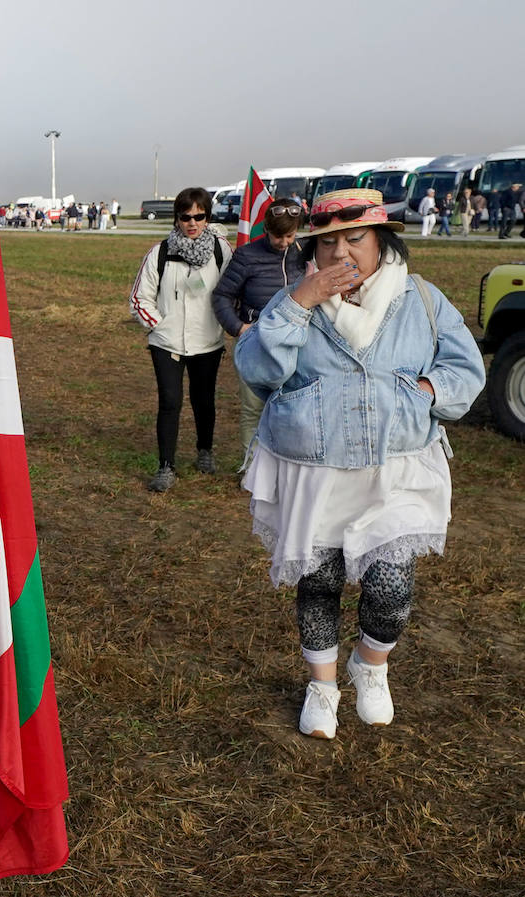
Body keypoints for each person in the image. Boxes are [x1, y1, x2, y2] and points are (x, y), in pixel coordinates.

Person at [234, 189, 485, 740]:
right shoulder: (290, 298)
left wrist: (426, 389)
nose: (340, 253)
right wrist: (298, 304)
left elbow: (465, 368)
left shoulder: (420, 297)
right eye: (326, 242)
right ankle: (322, 687)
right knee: (319, 582)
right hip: (313, 466)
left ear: (381, 241)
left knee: (391, 587)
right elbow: (255, 371)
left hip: (396, 465)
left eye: (355, 238)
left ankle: (371, 666)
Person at [128, 186, 233, 491]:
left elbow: (232, 289)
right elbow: (140, 298)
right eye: (185, 216)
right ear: (176, 218)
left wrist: (226, 323)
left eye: (199, 216)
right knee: (170, 402)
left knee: (203, 400)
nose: (192, 222)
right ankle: (165, 466)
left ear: (207, 217)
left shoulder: (221, 251)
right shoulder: (159, 253)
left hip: (207, 342)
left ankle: (205, 451)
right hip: (167, 343)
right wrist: (158, 324)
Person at [210, 197, 305, 454]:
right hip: (258, 344)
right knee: (254, 408)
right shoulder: (247, 255)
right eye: (278, 236)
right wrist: (239, 329)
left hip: (299, 343)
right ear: (266, 230)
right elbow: (221, 296)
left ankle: (288, 463)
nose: (284, 242)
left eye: (289, 235)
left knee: (294, 406)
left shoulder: (306, 253)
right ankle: (251, 469)